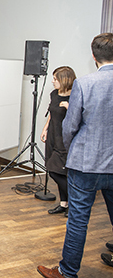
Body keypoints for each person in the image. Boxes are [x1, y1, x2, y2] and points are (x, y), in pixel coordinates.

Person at [37, 33, 113, 278]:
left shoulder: (85, 84)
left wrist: (71, 150)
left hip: (85, 164)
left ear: (93, 56)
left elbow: (70, 126)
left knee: (78, 220)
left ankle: (68, 273)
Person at [40, 66, 76, 217]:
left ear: (64, 80)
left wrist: (69, 107)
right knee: (54, 169)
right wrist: (45, 128)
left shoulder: (74, 96)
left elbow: (80, 118)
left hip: (64, 138)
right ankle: (64, 204)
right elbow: (51, 113)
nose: (53, 81)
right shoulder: (54, 94)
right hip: (53, 135)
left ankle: (74, 203)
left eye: (55, 79)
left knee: (55, 170)